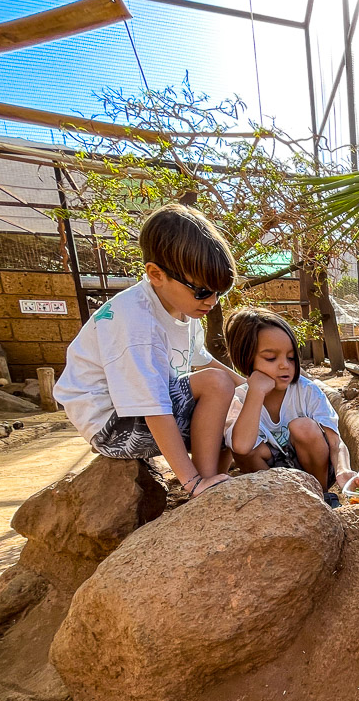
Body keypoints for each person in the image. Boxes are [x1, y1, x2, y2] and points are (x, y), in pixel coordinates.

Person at [54, 205, 242, 497]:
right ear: (156, 274)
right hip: (114, 427)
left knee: (238, 399)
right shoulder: (136, 322)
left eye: (220, 292)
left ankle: (213, 476)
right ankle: (202, 484)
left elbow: (201, 361)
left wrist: (251, 388)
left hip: (139, 412)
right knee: (218, 386)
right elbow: (151, 406)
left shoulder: (183, 309)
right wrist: (189, 480)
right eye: (203, 291)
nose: (212, 301)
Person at [223, 307, 356, 506]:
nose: (285, 365)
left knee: (304, 426)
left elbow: (335, 441)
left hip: (313, 471)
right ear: (246, 358)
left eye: (291, 357)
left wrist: (344, 470)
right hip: (271, 478)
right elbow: (242, 448)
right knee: (244, 448)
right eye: (271, 358)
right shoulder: (240, 398)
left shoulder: (307, 391)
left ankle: (319, 497)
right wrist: (256, 393)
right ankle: (279, 501)